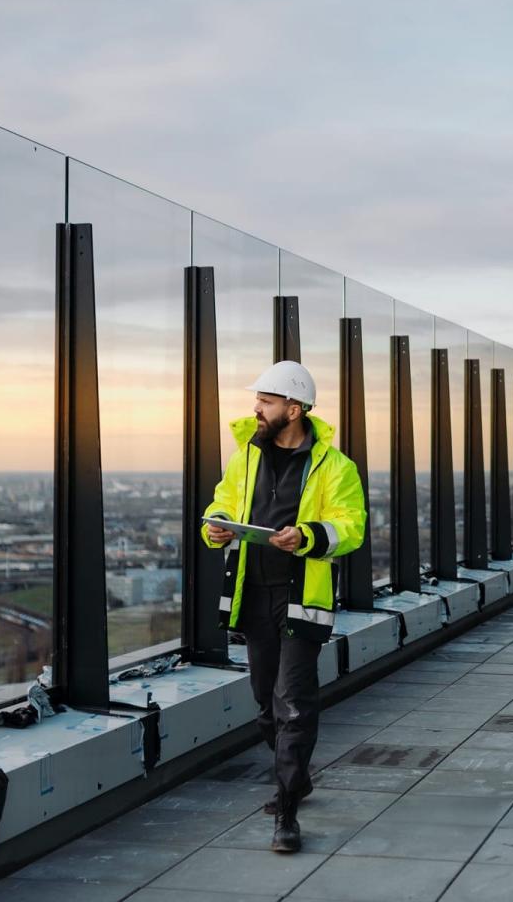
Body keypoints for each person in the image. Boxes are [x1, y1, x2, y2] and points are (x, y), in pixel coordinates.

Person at [201, 360, 366, 853]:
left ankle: (287, 808)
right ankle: (295, 775)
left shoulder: (335, 467)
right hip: (254, 595)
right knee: (264, 700)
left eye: (266, 401)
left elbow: (350, 526)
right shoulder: (244, 457)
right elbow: (221, 502)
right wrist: (217, 525)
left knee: (293, 701)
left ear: (293, 409)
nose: (256, 408)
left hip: (301, 599)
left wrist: (309, 536)